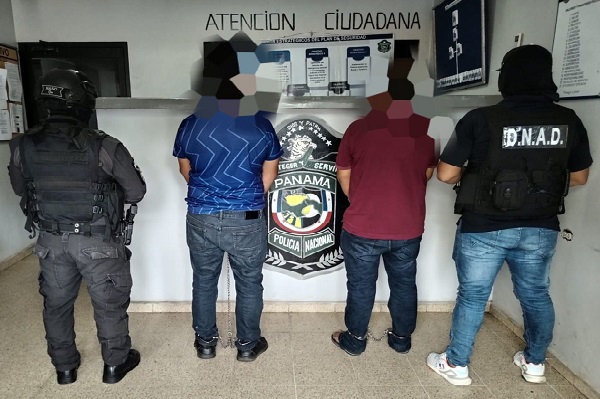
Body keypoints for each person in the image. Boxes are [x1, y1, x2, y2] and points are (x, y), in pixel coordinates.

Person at [427, 44, 593, 386]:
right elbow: (579, 177)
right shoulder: (568, 120)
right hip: (540, 226)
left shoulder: (480, 118)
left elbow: (445, 174)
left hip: (483, 226)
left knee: (472, 295)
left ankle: (457, 365)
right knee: (535, 293)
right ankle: (535, 363)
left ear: (508, 79)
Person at [8, 69, 146, 384]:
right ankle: (115, 365)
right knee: (109, 304)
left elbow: (20, 189)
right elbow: (136, 192)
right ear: (82, 102)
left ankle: (65, 369)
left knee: (55, 305)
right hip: (97, 240)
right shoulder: (104, 146)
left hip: (51, 241)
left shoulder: (23, 145)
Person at [173, 37, 282, 362]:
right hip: (247, 217)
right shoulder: (261, 126)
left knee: (204, 281)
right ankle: (247, 347)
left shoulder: (191, 125)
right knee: (249, 283)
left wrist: (210, 194)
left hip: (201, 215)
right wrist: (245, 198)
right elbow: (269, 174)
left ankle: (205, 344)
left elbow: (185, 169)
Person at [331, 56, 437, 356]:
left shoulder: (359, 128)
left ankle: (355, 340)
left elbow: (344, 174)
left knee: (361, 286)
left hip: (363, 226)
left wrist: (362, 198)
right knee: (404, 285)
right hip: (408, 228)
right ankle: (401, 339)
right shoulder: (428, 128)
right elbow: (427, 173)